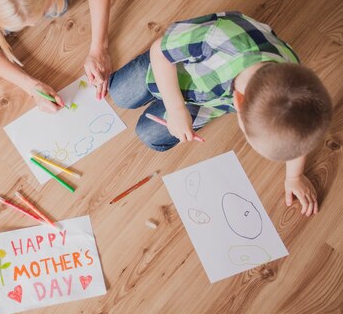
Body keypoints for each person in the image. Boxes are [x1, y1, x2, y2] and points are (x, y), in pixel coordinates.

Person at [108, 12, 332, 217]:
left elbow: (299, 133)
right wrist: (176, 108)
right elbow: (160, 51)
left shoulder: (295, 85)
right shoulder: (215, 39)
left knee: (150, 136)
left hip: (205, 100)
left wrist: (294, 176)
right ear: (238, 102)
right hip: (167, 65)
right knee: (119, 94)